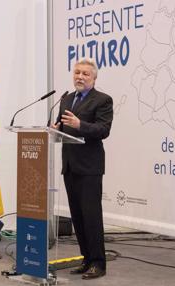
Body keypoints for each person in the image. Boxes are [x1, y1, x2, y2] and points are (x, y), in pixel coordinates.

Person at [52, 58, 113, 280]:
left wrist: (81, 126)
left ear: (94, 78)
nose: (80, 76)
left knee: (91, 216)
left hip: (89, 167)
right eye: (77, 72)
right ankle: (86, 259)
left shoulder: (103, 100)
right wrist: (55, 129)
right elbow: (60, 126)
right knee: (77, 217)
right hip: (69, 166)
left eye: (85, 74)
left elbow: (103, 130)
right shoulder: (67, 99)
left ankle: (98, 263)